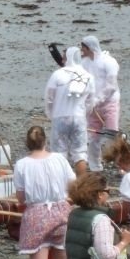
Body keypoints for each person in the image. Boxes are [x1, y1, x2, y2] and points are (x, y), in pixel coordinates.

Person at [14, 126, 76, 259]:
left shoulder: (22, 164)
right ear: (45, 141)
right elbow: (73, 186)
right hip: (61, 211)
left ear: (27, 143)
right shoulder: (59, 159)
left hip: (36, 213)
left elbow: (21, 198)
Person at [45, 46, 95, 175]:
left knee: (59, 154)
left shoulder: (57, 74)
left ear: (67, 58)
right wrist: (84, 114)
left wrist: (50, 114)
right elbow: (91, 101)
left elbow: (49, 97)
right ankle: (81, 187)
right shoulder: (88, 76)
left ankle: (61, 186)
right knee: (80, 153)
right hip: (79, 118)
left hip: (60, 117)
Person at [80, 36, 120, 172]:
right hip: (92, 105)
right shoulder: (84, 63)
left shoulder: (109, 61)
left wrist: (99, 99)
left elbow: (111, 85)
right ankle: (95, 165)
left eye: (83, 47)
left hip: (109, 102)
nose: (81, 50)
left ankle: (120, 164)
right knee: (93, 136)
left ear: (89, 48)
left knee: (112, 135)